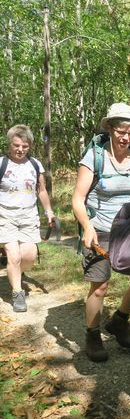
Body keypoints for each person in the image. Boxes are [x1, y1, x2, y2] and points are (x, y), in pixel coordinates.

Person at [72, 103, 130, 362]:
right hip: (99, 229)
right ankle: (93, 334)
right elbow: (77, 199)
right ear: (110, 128)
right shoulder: (94, 158)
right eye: (121, 130)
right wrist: (87, 227)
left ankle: (120, 320)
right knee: (100, 286)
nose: (126, 137)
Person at [0, 125, 56, 312]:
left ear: (29, 146)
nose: (20, 149)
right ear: (10, 144)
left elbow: (41, 191)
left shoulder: (35, 164)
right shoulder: (1, 164)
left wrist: (49, 211)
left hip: (29, 216)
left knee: (29, 257)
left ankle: (16, 272)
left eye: (24, 146)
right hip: (5, 216)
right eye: (16, 145)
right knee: (14, 256)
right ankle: (17, 293)